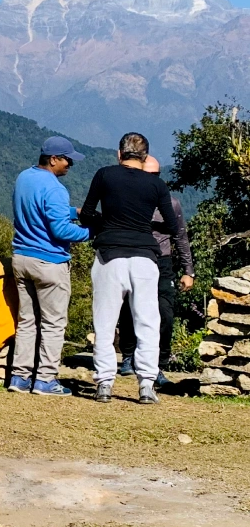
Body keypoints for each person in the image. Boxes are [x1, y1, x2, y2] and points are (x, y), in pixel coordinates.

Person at [80, 132, 177, 405]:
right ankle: (146, 385)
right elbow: (172, 225)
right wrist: (144, 226)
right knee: (147, 322)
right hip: (145, 258)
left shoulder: (105, 175)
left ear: (119, 154)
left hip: (109, 255)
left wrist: (107, 221)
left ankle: (104, 384)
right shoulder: (156, 185)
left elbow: (86, 214)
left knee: (105, 322)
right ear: (145, 157)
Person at [7, 136, 91, 397]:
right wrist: (91, 233)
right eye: (67, 160)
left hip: (21, 258)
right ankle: (45, 380)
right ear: (53, 159)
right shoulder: (56, 188)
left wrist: (74, 212)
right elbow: (60, 230)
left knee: (27, 321)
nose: (70, 165)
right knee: (53, 324)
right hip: (49, 262)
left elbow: (39, 209)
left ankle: (20, 377)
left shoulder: (24, 178)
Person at [116, 156, 195, 386]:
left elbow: (180, 236)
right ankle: (129, 356)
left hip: (162, 261)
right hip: (134, 255)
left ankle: (158, 364)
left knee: (165, 312)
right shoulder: (129, 200)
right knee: (129, 308)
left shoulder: (171, 204)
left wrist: (188, 270)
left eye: (156, 175)